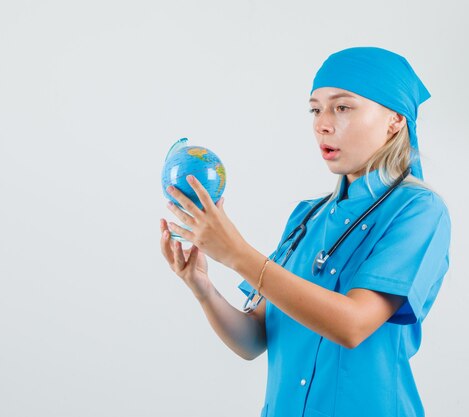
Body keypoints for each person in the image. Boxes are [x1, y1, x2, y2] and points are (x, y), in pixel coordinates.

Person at [159, 46, 451, 417]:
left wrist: (237, 254)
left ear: (395, 119)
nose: (322, 124)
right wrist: (202, 288)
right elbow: (253, 340)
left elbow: (352, 325)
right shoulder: (306, 217)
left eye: (342, 108)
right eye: (316, 109)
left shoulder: (418, 211)